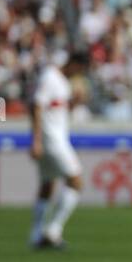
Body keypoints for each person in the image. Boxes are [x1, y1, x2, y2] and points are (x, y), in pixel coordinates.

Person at [30, 50, 88, 249]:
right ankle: (53, 230)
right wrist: (36, 140)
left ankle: (36, 235)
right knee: (76, 180)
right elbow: (37, 105)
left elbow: (57, 111)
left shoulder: (63, 83)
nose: (79, 74)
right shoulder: (50, 77)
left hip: (55, 137)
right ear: (73, 63)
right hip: (51, 140)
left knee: (47, 185)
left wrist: (75, 103)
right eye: (80, 69)